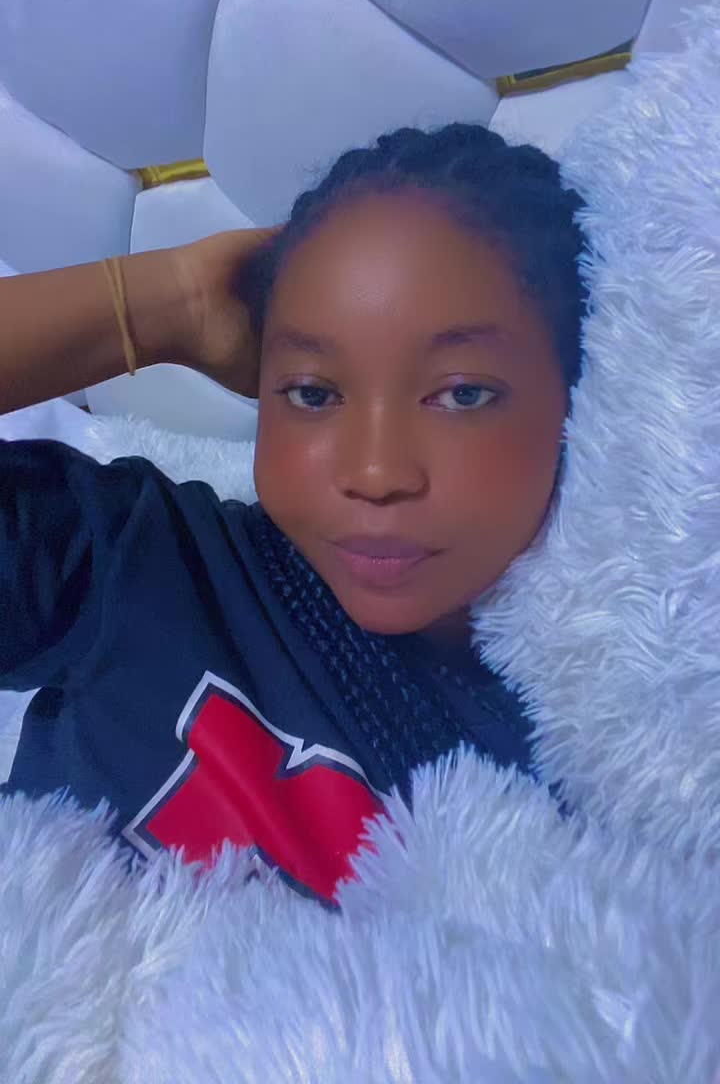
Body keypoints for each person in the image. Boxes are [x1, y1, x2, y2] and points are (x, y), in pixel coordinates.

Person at [0, 123, 587, 905]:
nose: (375, 473)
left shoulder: (612, 752)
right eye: (314, 393)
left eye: (462, 394)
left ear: (586, 400)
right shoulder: (141, 562)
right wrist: (162, 303)